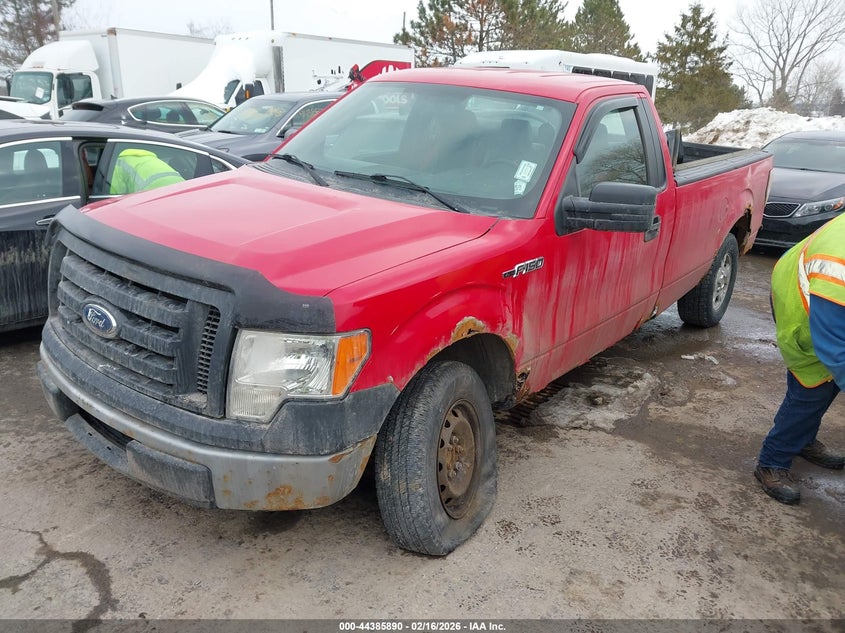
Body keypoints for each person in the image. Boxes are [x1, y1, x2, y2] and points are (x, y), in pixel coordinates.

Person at [755, 212, 845, 504]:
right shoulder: (837, 265)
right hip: (802, 306)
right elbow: (833, 346)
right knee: (813, 387)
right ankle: (773, 461)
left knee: (827, 383)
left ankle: (803, 440)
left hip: (824, 296)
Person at [109, 148, 185, 195]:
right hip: (182, 191)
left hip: (152, 195)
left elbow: (114, 194)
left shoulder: (119, 163)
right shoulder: (149, 159)